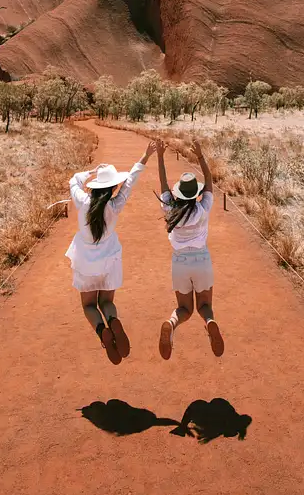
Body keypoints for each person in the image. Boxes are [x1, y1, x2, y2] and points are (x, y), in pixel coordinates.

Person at [66, 141, 156, 365]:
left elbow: (73, 181)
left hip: (85, 262)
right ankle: (112, 319)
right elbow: (131, 181)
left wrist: (92, 171)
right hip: (109, 260)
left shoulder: (83, 201)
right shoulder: (115, 205)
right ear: (113, 187)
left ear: (96, 186)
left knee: (88, 305)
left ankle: (101, 331)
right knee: (106, 301)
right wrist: (145, 155)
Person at [156, 137, 224, 359]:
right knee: (205, 305)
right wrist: (201, 156)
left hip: (180, 263)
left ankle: (171, 323)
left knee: (184, 309)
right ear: (195, 193)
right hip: (201, 260)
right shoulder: (202, 208)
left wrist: (159, 156)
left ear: (178, 193)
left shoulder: (170, 210)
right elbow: (210, 183)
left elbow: (163, 184)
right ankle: (210, 322)